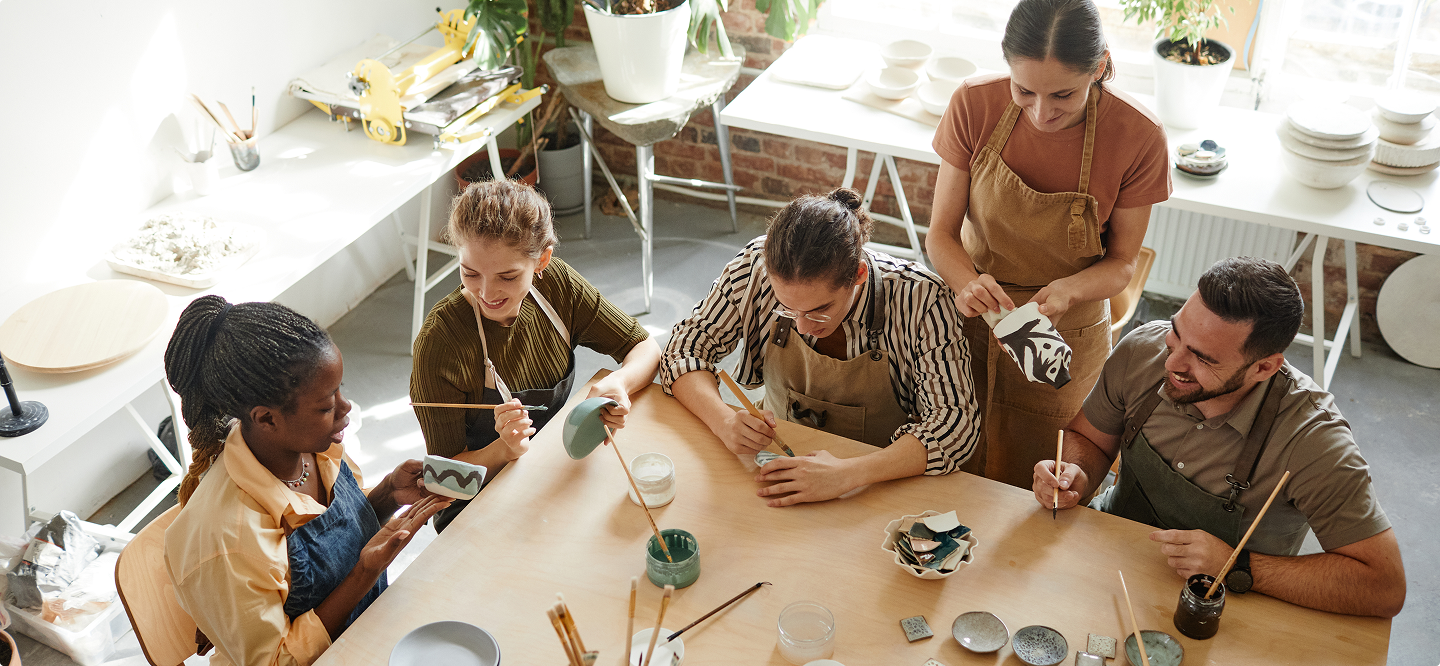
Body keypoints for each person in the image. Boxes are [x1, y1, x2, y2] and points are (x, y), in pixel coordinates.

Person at [1034, 258, 1406, 617]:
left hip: (1223, 602)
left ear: (1264, 367)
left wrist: (1235, 565)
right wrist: (1073, 475)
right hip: (1109, 558)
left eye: (1203, 359)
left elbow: (1384, 585)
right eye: (1176, 335)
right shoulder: (1142, 351)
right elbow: (1089, 439)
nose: (1172, 363)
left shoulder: (1314, 442)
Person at [925, 0, 1172, 489]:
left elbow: (1121, 264)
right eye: (1024, 90)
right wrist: (968, 283)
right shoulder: (974, 104)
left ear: (1099, 66)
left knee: (1045, 477)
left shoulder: (1138, 136)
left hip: (1065, 330)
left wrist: (1066, 293)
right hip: (968, 311)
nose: (1041, 112)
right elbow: (940, 235)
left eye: (1063, 94)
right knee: (951, 461)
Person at [164, 296, 452, 665]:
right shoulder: (229, 538)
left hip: (369, 631)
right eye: (326, 405)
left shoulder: (313, 448)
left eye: (338, 390)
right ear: (267, 418)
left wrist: (387, 495)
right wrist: (365, 571)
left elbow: (332, 531)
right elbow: (277, 660)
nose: (346, 408)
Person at [663, 188, 981, 507]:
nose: (802, 327)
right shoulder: (753, 268)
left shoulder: (922, 300)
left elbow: (956, 423)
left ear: (858, 274)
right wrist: (724, 422)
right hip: (773, 459)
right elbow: (683, 351)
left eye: (819, 310)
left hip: (878, 480)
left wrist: (848, 473)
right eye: (786, 308)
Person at [411, 179, 660, 531]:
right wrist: (502, 450)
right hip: (479, 508)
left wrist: (619, 383)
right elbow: (441, 483)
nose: (487, 292)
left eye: (508, 276)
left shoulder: (555, 285)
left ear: (542, 259)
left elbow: (644, 347)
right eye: (470, 272)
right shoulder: (441, 342)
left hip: (553, 469)